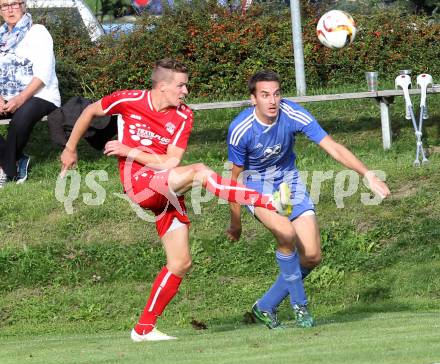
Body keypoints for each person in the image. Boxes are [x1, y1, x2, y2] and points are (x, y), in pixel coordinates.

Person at [59, 58, 292, 342]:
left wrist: (129, 150)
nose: (186, 91)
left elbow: (170, 161)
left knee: (180, 262)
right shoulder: (128, 99)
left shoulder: (184, 115)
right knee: (200, 171)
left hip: (165, 185)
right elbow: (90, 111)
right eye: (181, 85)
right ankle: (267, 201)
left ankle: (143, 328)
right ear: (163, 86)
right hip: (140, 184)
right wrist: (70, 149)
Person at [226, 70, 390, 329]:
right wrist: (235, 221)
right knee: (286, 233)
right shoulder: (240, 129)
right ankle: (300, 307)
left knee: (312, 256)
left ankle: (265, 306)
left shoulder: (292, 114)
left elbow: (332, 146)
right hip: (255, 185)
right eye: (265, 95)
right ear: (253, 99)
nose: (272, 101)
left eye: (276, 94)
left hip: (288, 182)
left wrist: (366, 173)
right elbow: (233, 180)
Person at [0, 0, 60, 187]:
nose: (10, 9)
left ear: (23, 6)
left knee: (21, 118)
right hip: (6, 96)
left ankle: (6, 171)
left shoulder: (38, 32)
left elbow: (43, 74)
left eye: (14, 4)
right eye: (4, 5)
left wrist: (20, 99)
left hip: (40, 94)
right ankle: (18, 160)